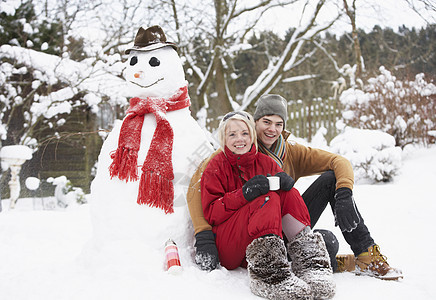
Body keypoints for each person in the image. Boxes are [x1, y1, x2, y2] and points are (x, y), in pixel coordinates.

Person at [188, 94, 402, 280]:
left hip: (284, 221)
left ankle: (365, 254)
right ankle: (321, 262)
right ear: (255, 123)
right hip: (251, 227)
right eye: (266, 121)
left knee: (329, 210)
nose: (272, 129)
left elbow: (339, 161)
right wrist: (203, 235)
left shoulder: (290, 152)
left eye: (278, 124)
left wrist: (344, 193)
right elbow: (197, 191)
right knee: (326, 244)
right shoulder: (236, 148)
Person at [198, 111, 335, 299]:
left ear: (252, 135)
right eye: (232, 134)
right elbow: (211, 213)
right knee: (266, 199)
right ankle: (269, 276)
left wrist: (284, 182)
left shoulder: (266, 162)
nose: (240, 139)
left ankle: (310, 263)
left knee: (290, 193)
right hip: (229, 245)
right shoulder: (215, 166)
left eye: (244, 133)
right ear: (224, 138)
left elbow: (286, 199)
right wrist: (243, 194)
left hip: (263, 241)